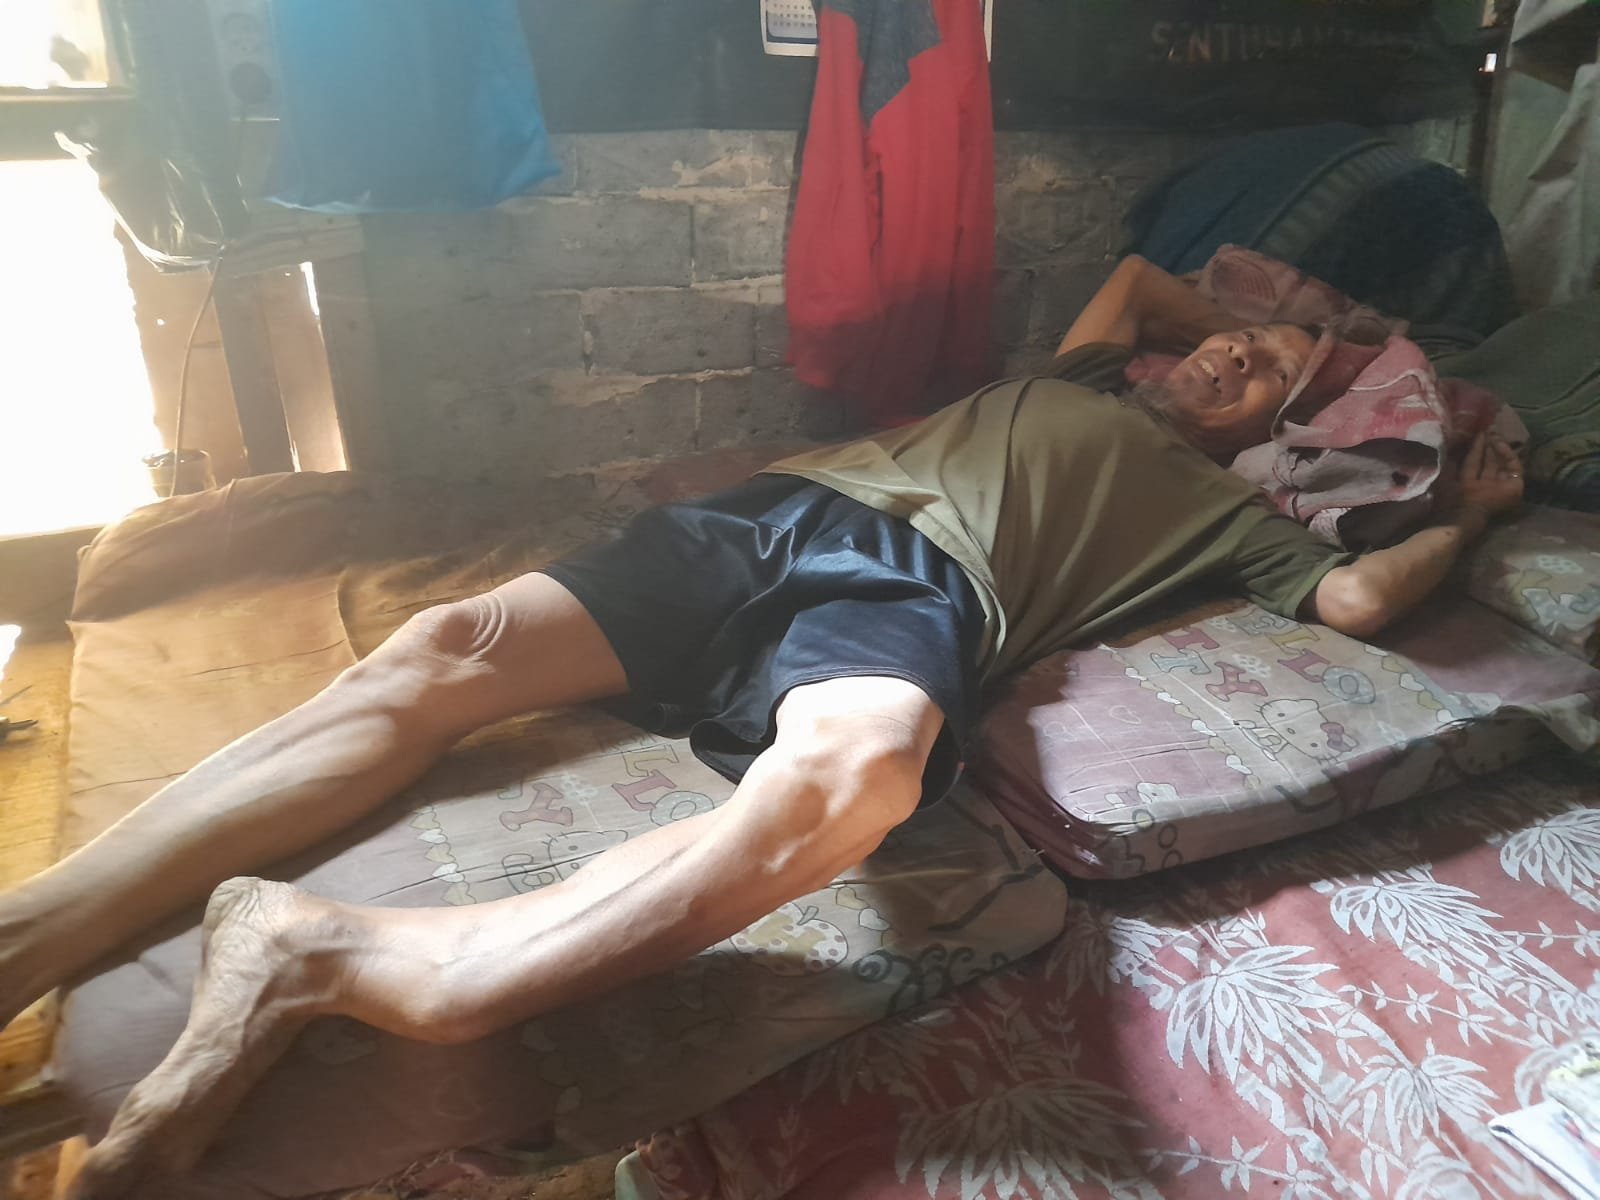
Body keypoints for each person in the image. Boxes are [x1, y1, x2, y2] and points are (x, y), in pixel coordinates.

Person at [3, 255, 1523, 1200]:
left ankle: (345, 958)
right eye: (1232, 345)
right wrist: (1295, 328)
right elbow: (1139, 281)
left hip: (925, 590)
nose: (1231, 359)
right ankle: (28, 938)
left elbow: (1359, 600)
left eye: (1263, 380)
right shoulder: (1083, 370)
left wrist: (1461, 504)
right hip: (779, 510)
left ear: (1281, 445)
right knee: (444, 646)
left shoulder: (1232, 516)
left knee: (856, 781)